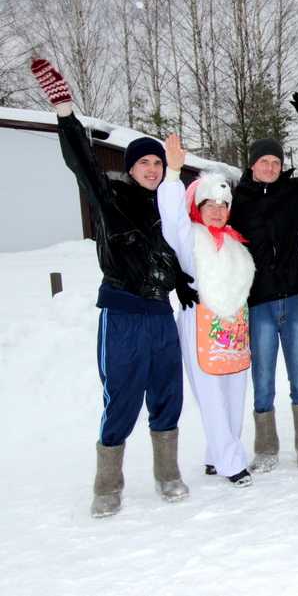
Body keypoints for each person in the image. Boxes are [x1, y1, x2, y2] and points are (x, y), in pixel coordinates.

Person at [31, 58, 195, 518]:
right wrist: (66, 114)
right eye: (143, 161)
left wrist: (185, 282)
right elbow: (83, 165)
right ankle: (108, 482)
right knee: (122, 394)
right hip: (122, 311)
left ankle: (167, 473)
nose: (151, 168)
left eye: (157, 162)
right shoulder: (112, 199)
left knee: (167, 391)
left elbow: (180, 248)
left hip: (161, 312)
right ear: (131, 167)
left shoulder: (170, 204)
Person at [227, 93, 298, 473]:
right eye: (265, 161)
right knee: (262, 381)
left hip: (292, 299)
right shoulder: (235, 200)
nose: (271, 166)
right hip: (257, 302)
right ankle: (266, 447)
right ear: (253, 165)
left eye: (276, 161)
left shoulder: (293, 192)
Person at [158, 134, 256, 487]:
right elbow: (170, 218)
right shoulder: (189, 236)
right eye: (209, 203)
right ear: (198, 206)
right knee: (211, 395)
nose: (216, 210)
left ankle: (218, 455)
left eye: (223, 204)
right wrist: (172, 173)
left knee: (233, 392)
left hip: (233, 329)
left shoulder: (234, 242)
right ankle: (232, 462)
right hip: (200, 322)